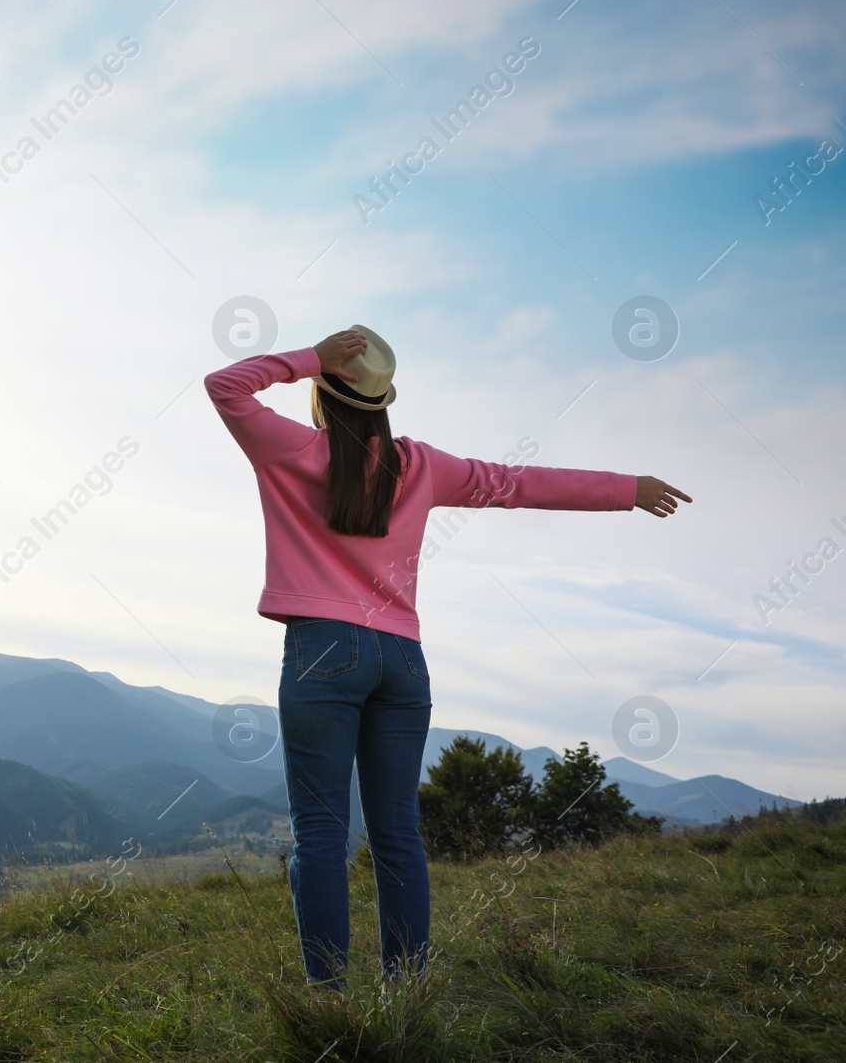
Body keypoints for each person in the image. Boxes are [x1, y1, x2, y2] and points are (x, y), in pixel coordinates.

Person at [203, 326, 690, 991]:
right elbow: (516, 483)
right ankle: (408, 993)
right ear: (381, 403)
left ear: (324, 395)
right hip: (402, 661)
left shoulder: (292, 448)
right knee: (397, 833)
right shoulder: (420, 465)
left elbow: (224, 384)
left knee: (321, 833)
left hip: (323, 653)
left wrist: (312, 357)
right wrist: (626, 487)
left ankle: (330, 998)